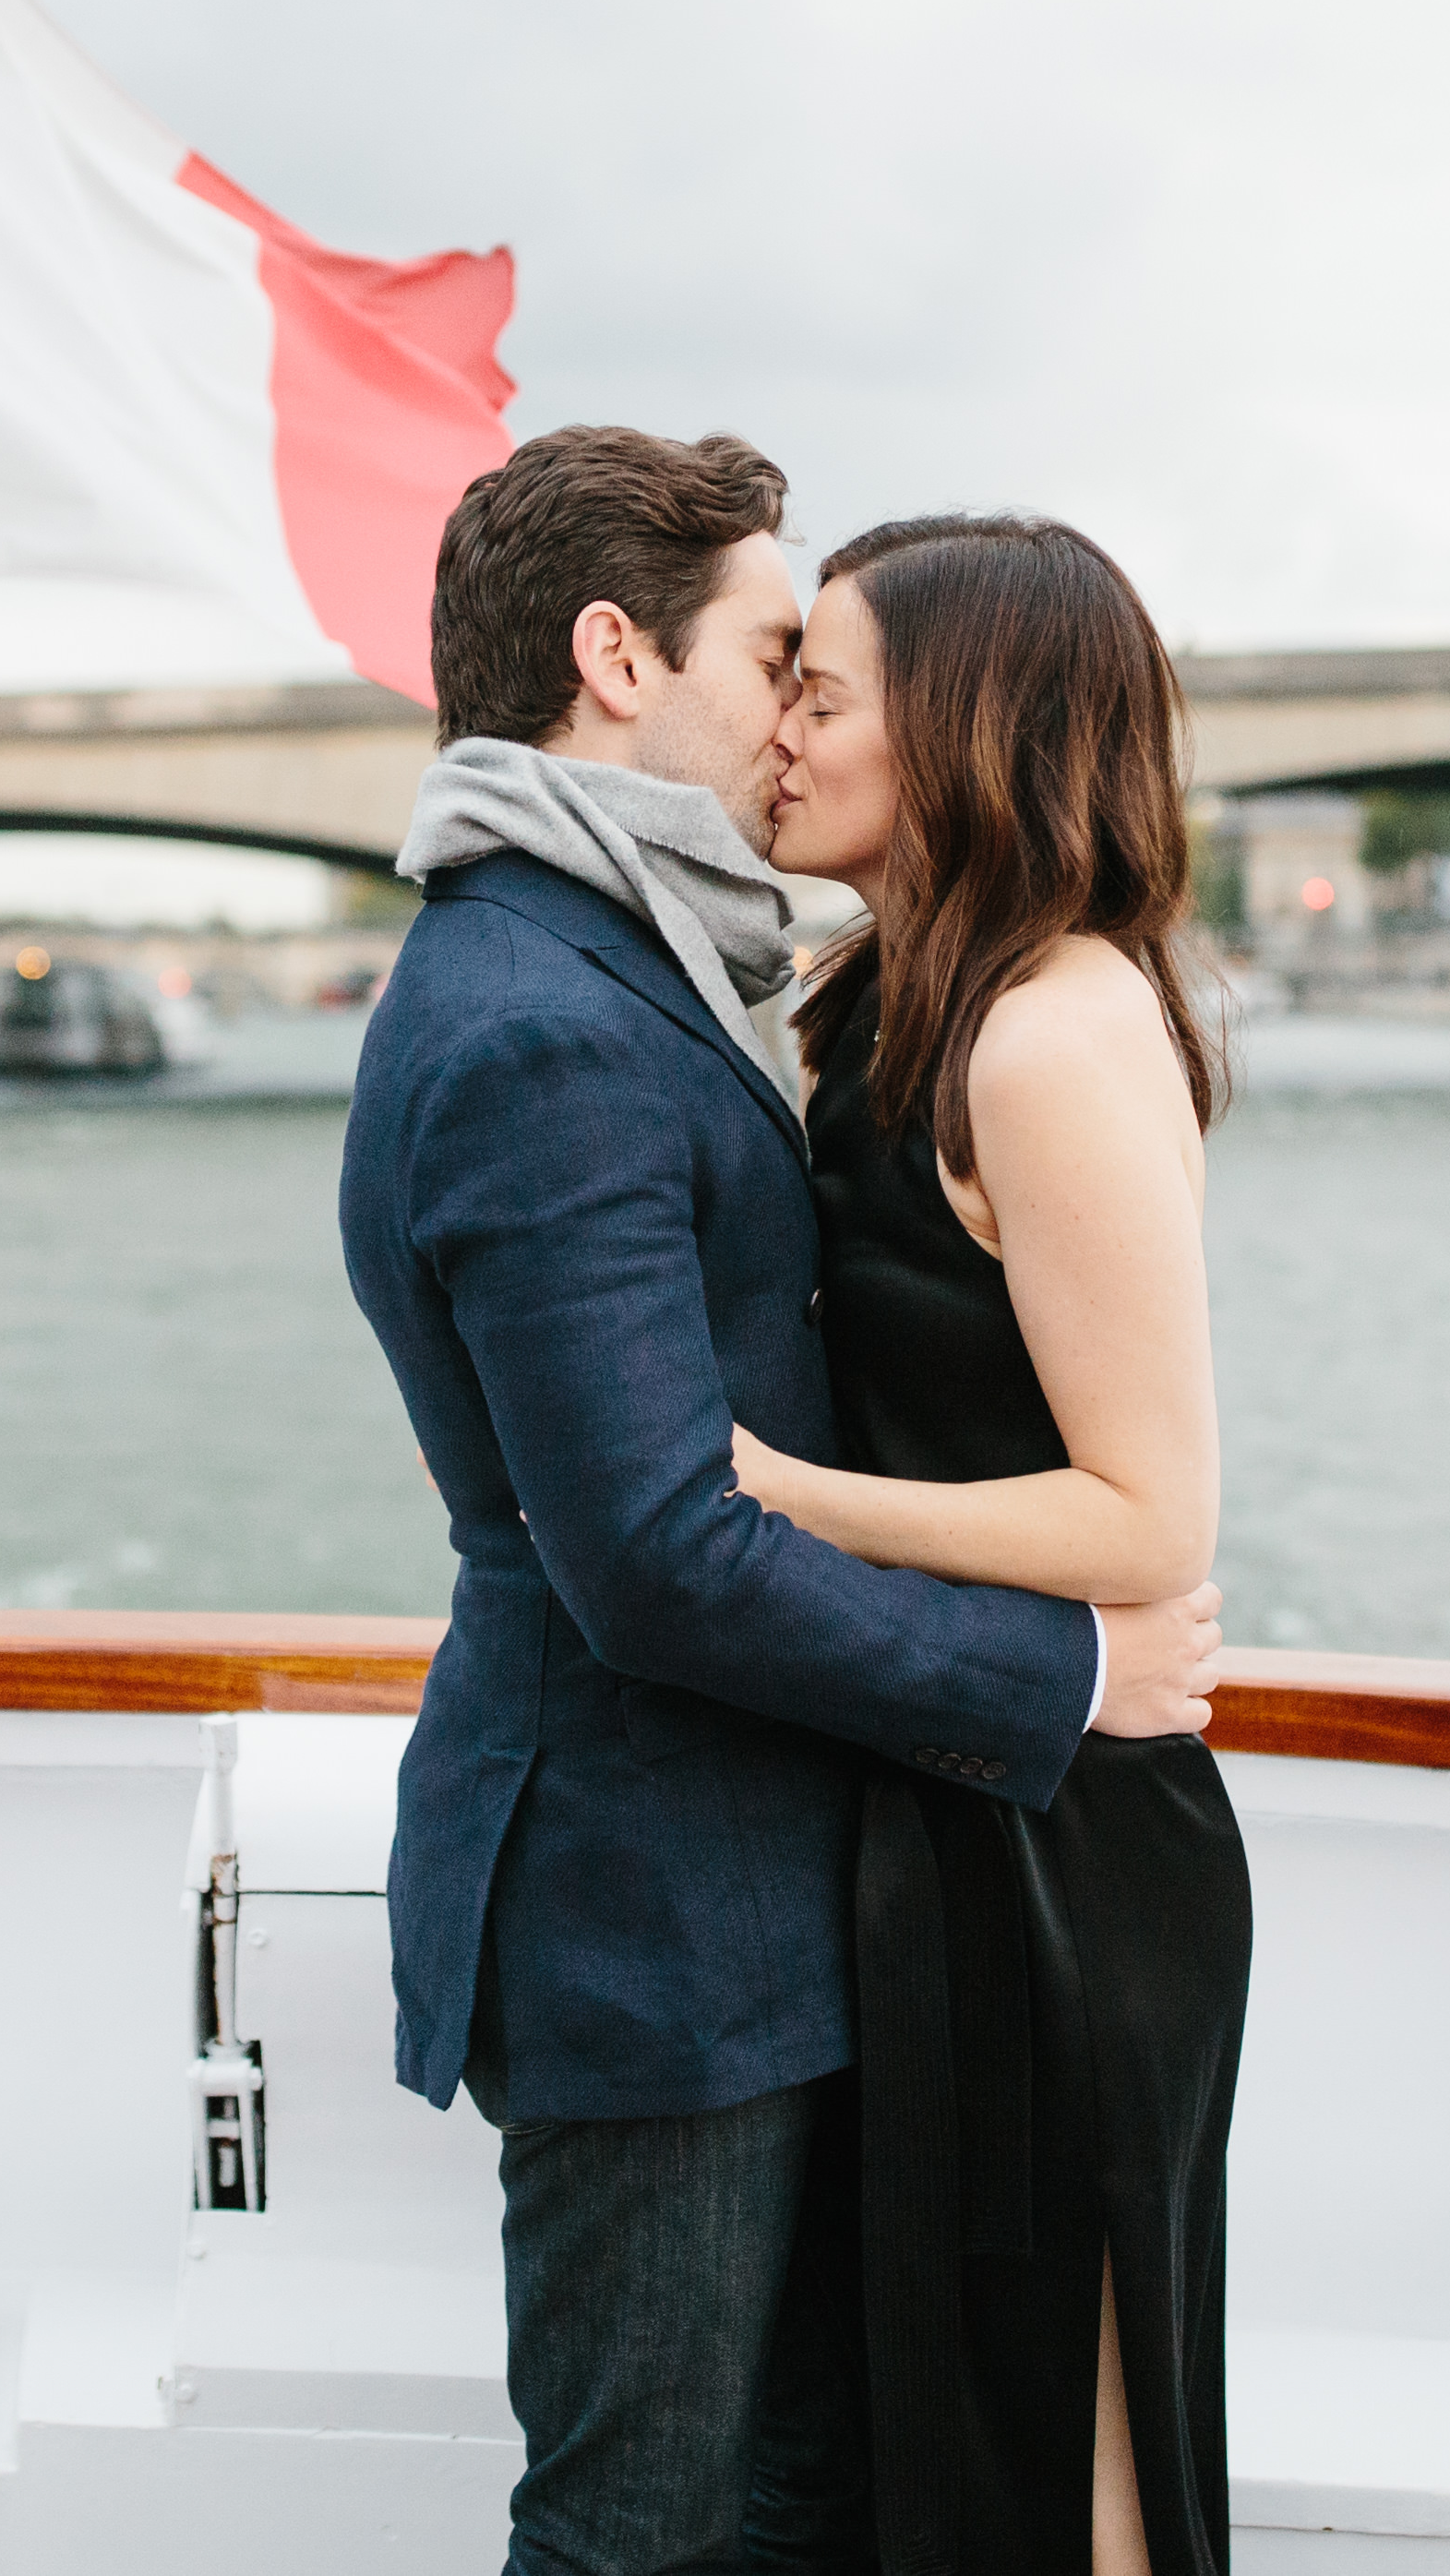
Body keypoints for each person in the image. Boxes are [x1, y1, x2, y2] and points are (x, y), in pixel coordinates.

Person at [337, 425, 1230, 2576]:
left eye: (832, 675)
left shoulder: (685, 969)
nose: (793, 709)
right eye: (775, 654)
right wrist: (1059, 1676)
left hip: (832, 1877)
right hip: (667, 1904)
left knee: (846, 2498)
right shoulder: (551, 1014)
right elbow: (658, 1553)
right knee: (656, 2527)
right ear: (616, 659)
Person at [731, 512, 1252, 2576]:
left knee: (1062, 2472)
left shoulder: (1052, 1029)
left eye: (822, 690)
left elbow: (1154, 1515)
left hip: (1066, 1857)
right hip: (945, 1806)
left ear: (959, 731)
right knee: (940, 2466)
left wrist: (759, 1491)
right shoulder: (877, 1009)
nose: (778, 731)